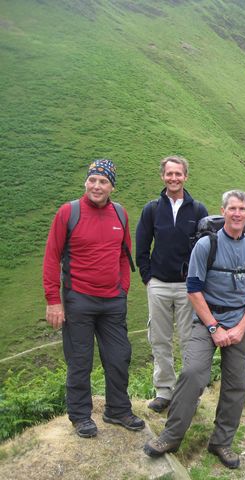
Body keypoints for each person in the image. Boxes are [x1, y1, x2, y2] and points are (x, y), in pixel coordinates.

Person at [143, 190, 245, 469]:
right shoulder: (206, 245)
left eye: (242, 209)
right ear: (223, 211)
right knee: (192, 374)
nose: (237, 214)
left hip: (239, 324)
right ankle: (171, 436)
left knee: (236, 384)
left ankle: (221, 442)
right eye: (232, 208)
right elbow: (193, 289)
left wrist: (239, 329)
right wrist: (214, 327)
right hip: (206, 321)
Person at [42, 159, 145, 438]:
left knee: (119, 357)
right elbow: (52, 257)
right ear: (86, 182)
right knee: (80, 360)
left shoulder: (120, 214)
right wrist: (54, 300)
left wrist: (122, 289)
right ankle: (80, 416)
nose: (96, 186)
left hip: (112, 301)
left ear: (112, 186)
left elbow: (125, 256)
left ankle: (118, 410)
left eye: (103, 181)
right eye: (93, 180)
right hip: (79, 300)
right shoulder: (69, 212)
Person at [136, 155, 208, 413]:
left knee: (190, 340)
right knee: (160, 339)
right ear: (162, 176)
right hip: (159, 284)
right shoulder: (152, 209)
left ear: (186, 176)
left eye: (178, 174)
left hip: (189, 287)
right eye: (169, 174)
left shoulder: (198, 210)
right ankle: (164, 391)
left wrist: (198, 282)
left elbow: (206, 248)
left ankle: (189, 393)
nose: (174, 178)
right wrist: (149, 279)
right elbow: (142, 247)